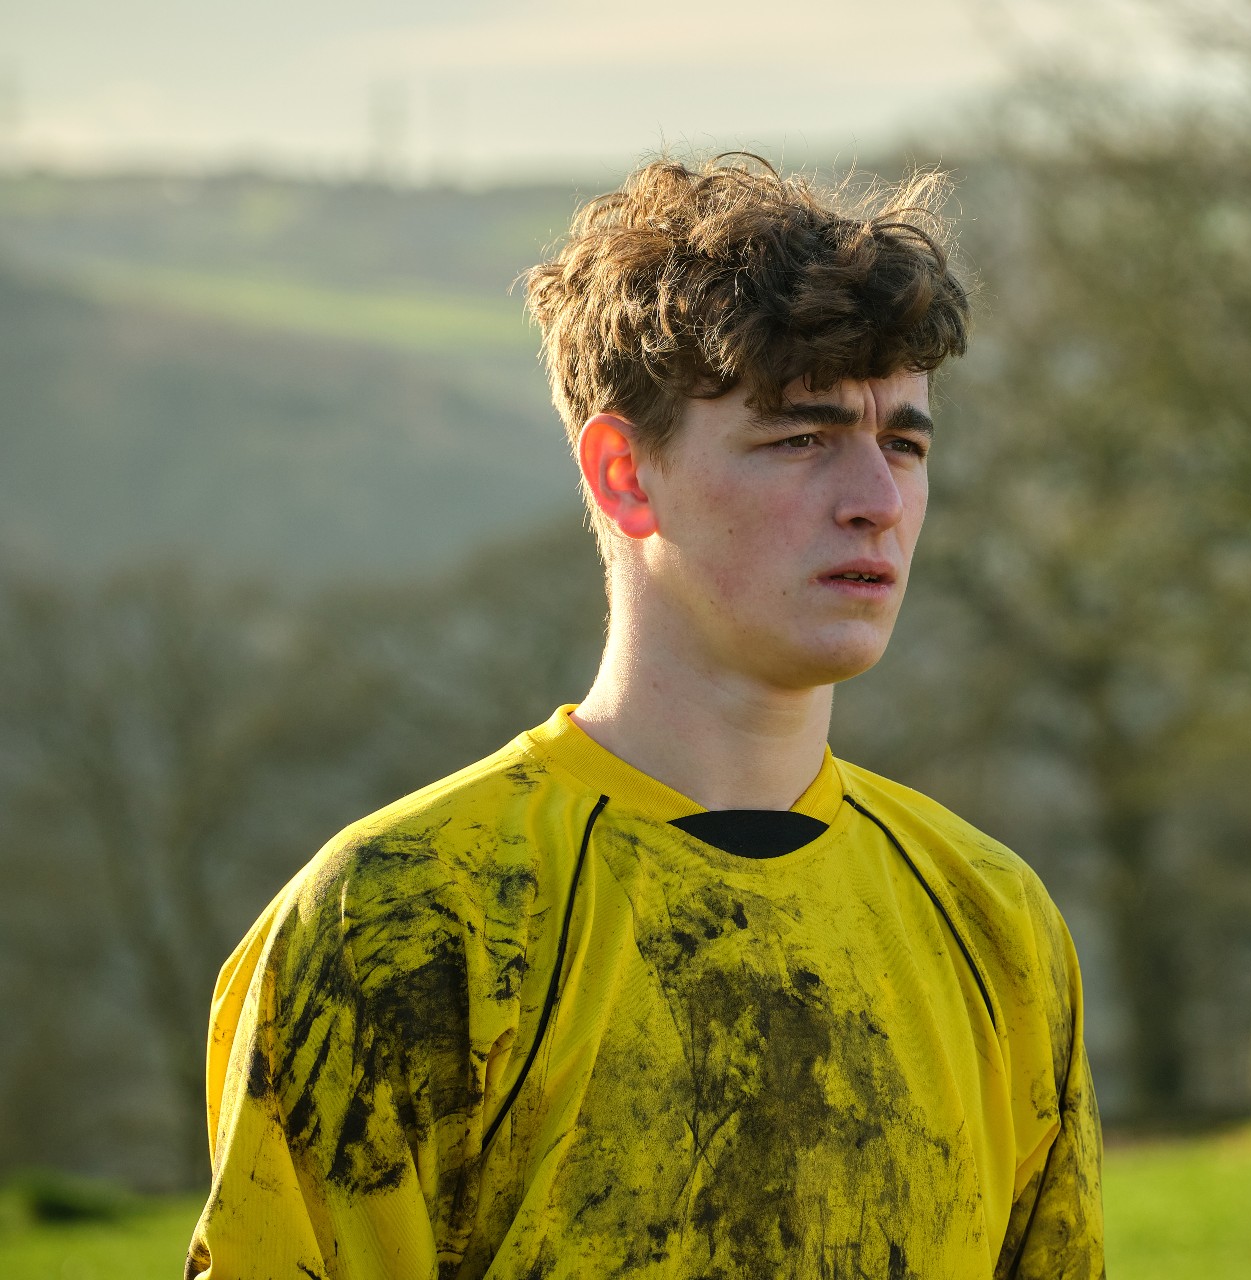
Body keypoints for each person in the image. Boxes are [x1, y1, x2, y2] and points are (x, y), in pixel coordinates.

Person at [184, 154, 1104, 1279]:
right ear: (625, 473)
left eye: (904, 442)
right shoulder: (401, 922)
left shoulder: (997, 919)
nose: (876, 500)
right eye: (800, 437)